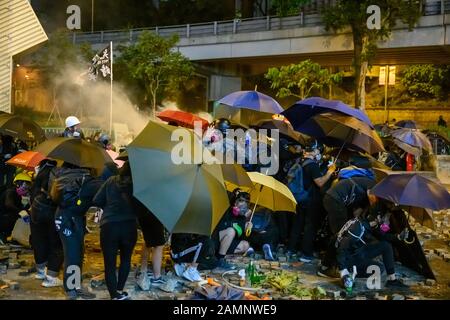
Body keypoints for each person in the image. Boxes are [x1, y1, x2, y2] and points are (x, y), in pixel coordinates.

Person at [50, 162, 103, 300]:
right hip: (71, 219)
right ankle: (71, 289)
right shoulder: (86, 180)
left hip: (64, 216)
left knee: (75, 252)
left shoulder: (62, 177)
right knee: (73, 253)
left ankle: (75, 285)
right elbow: (99, 197)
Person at [93, 161, 137, 300]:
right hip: (129, 226)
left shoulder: (111, 181)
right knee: (126, 259)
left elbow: (96, 200)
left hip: (109, 226)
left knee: (109, 263)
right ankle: (119, 289)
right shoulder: (137, 184)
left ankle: (114, 295)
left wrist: (109, 205)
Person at [335, 209, 409, 291]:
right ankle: (349, 271)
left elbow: (383, 236)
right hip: (349, 258)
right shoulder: (357, 229)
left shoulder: (369, 224)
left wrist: (398, 237)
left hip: (359, 251)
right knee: (378, 268)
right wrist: (343, 271)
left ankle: (392, 280)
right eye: (386, 218)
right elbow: (341, 248)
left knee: (386, 246)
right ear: (378, 218)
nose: (388, 221)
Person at [286, 140, 336, 262]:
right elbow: (320, 183)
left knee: (297, 224)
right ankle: (305, 254)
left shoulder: (300, 160)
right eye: (318, 150)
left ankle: (291, 250)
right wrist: (330, 171)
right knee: (310, 226)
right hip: (310, 200)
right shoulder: (312, 165)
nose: (319, 153)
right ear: (314, 151)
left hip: (298, 197)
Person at [29, 159, 63, 287]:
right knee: (56, 243)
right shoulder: (56, 174)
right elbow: (57, 196)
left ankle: (41, 271)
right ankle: (51, 277)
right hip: (51, 212)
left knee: (39, 241)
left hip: (36, 212)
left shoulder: (39, 176)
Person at [212, 189, 253, 269]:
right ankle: (220, 259)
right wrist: (243, 218)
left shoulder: (242, 217)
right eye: (241, 201)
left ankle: (222, 253)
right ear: (235, 202)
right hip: (216, 240)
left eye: (246, 202)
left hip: (226, 243)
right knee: (231, 231)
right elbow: (225, 228)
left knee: (245, 245)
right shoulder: (226, 210)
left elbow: (239, 236)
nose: (243, 204)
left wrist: (247, 228)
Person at [135, 200, 167, 290]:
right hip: (154, 214)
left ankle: (143, 269)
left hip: (143, 212)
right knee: (159, 245)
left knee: (148, 241)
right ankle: (157, 277)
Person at [0, 173, 32, 244]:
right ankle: (3, 235)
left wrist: (27, 206)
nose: (26, 191)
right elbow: (9, 205)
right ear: (18, 184)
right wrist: (22, 212)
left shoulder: (18, 195)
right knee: (16, 218)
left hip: (7, 217)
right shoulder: (10, 192)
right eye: (25, 188)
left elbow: (19, 208)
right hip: (3, 218)